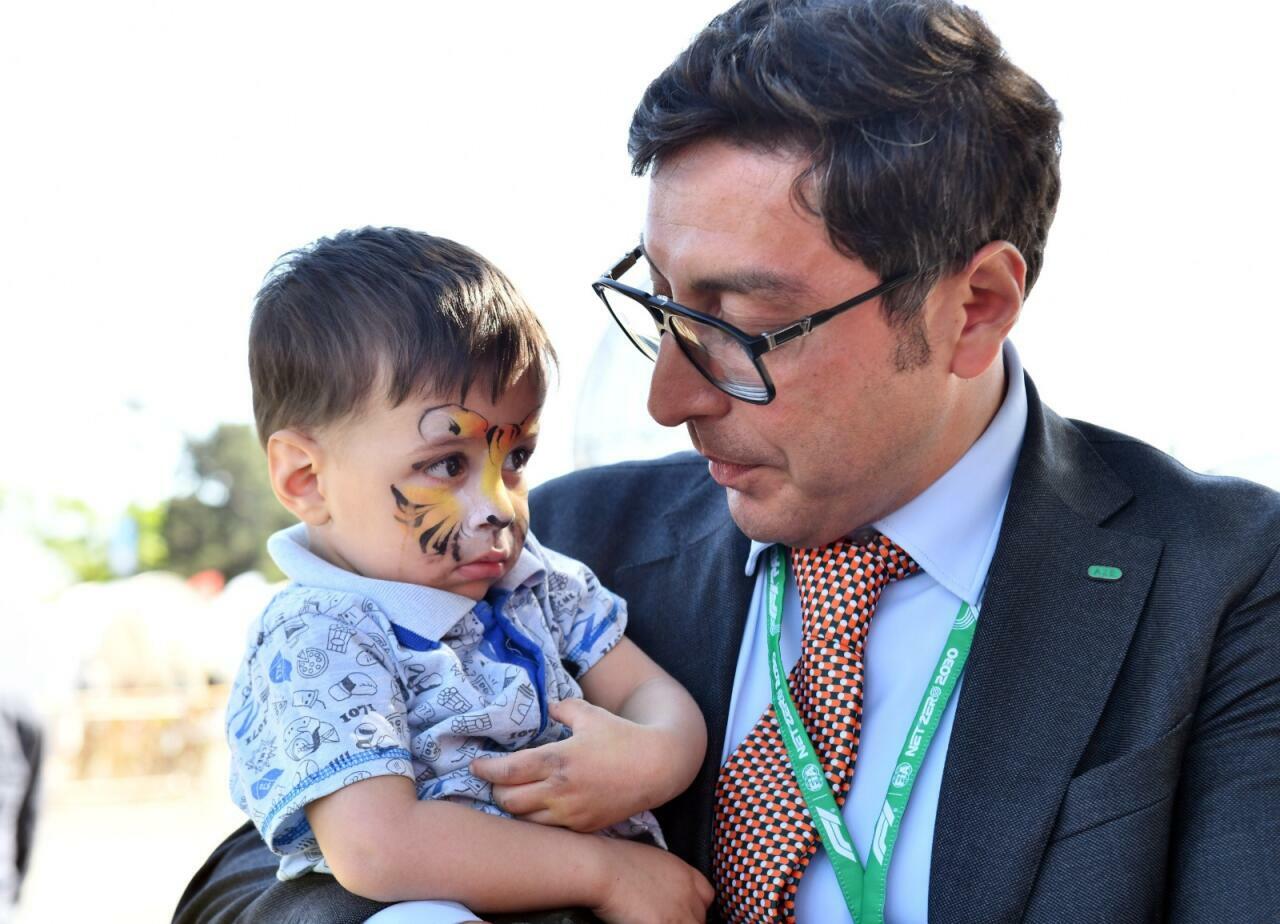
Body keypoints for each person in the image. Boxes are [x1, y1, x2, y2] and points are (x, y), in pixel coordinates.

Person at [177, 2, 1280, 922]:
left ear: (975, 307)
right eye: (660, 306)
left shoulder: (1223, 584)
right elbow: (255, 880)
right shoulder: (554, 554)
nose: (668, 398)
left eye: (741, 325)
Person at [213, 227, 712, 924]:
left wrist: (653, 758)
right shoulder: (318, 635)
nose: (499, 506)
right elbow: (378, 847)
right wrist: (605, 873)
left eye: (516, 458)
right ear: (307, 480)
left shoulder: (539, 585)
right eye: (448, 465)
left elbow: (647, 692)